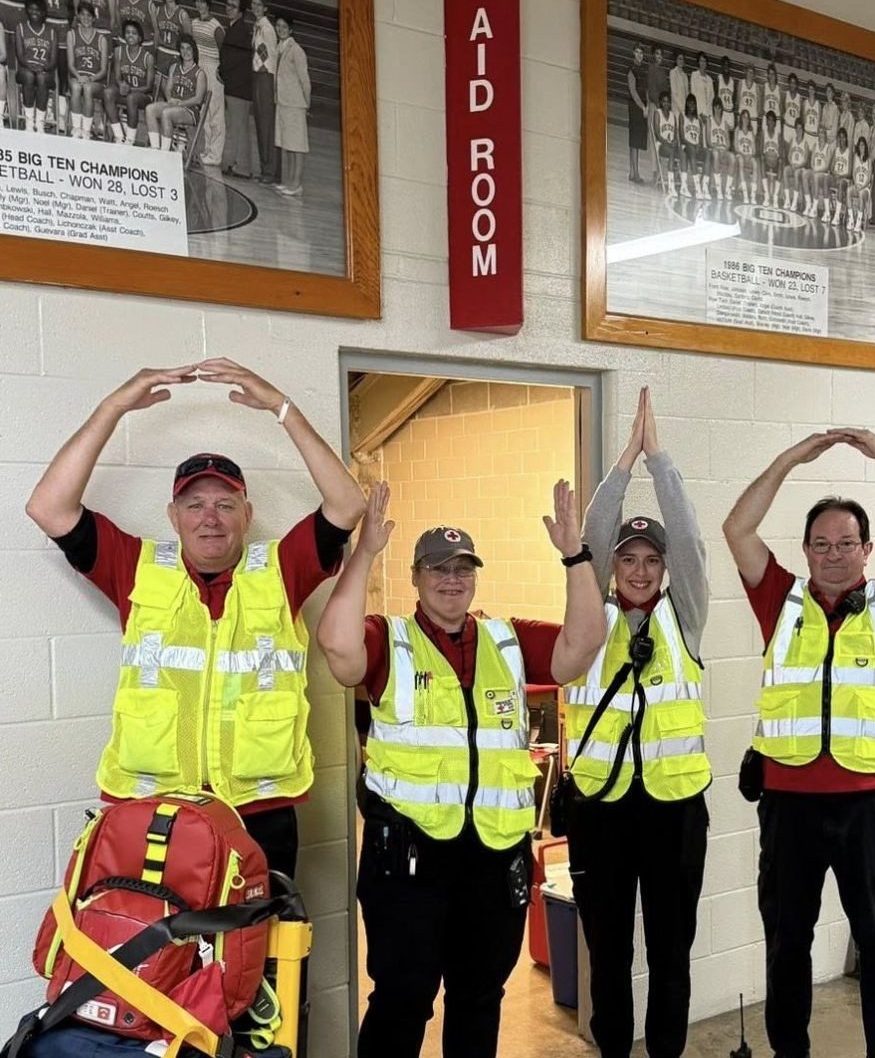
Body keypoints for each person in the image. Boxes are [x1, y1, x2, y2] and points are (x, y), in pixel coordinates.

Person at [24, 359, 367, 877]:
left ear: (247, 516)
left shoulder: (280, 569)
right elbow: (48, 507)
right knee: (157, 957)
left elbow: (347, 503)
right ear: (173, 516)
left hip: (260, 815)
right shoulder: (136, 567)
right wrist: (113, 407)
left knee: (260, 956)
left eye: (226, 505)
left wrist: (282, 406)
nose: (210, 517)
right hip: (154, 813)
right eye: (195, 504)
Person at [316, 482, 606, 1058]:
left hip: (493, 861)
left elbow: (584, 644)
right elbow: (336, 645)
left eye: (463, 569)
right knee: (403, 998)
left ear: (475, 577)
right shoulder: (389, 639)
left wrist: (575, 555)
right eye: (437, 569)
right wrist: (366, 550)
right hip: (408, 859)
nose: (452, 579)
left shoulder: (508, 640)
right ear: (417, 579)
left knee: (479, 997)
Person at [722, 428, 875, 1058]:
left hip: (871, 805)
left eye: (845, 544)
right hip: (789, 804)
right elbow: (738, 529)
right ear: (805, 551)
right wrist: (790, 458)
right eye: (821, 545)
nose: (832, 554)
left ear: (866, 549)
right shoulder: (779, 599)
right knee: (787, 945)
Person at [566, 387, 710, 1058]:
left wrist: (662, 462)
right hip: (601, 811)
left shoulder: (686, 616)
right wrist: (624, 459)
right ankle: (614, 1051)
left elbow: (689, 540)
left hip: (675, 810)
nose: (643, 570)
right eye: (629, 559)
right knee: (610, 950)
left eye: (653, 561)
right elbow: (593, 536)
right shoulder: (590, 619)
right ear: (613, 567)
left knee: (672, 951)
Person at [145, 32, 204, 151]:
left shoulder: (200, 73)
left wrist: (181, 103)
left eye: (188, 48)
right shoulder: (174, 67)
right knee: (150, 109)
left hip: (190, 110)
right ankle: (155, 148)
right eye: (182, 48)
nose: (185, 51)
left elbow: (198, 99)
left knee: (167, 113)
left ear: (194, 50)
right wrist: (170, 98)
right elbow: (168, 89)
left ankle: (165, 152)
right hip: (174, 104)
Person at [273, 10, 308, 196]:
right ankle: (289, 181)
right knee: (287, 144)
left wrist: (305, 102)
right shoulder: (279, 47)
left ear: (291, 29)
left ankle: (297, 184)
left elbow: (305, 80)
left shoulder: (297, 51)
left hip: (295, 104)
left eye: (284, 27)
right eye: (278, 26)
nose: (281, 29)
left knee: (297, 146)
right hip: (282, 102)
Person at [103, 17, 152, 142]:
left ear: (140, 38)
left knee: (132, 98)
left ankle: (130, 139)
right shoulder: (118, 51)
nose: (130, 35)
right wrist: (121, 84)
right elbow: (118, 77)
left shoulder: (148, 57)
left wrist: (131, 89)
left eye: (134, 33)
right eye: (128, 32)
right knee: (108, 92)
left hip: (142, 96)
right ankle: (119, 135)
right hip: (125, 92)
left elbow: (149, 87)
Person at [32, 0, 73, 131]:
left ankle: (61, 114)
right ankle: (47, 109)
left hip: (62, 25)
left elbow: (73, 8)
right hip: (44, 23)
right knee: (44, 67)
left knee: (62, 71)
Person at [220, 0, 252, 178]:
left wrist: (222, 71)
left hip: (239, 88)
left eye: (233, 6)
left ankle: (243, 168)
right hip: (236, 87)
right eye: (227, 4)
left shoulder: (240, 30)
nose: (228, 8)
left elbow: (233, 60)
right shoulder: (235, 28)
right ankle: (235, 163)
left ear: (240, 12)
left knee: (239, 127)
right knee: (236, 126)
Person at [66, 0, 109, 138]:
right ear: (78, 16)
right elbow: (71, 64)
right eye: (82, 15)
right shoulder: (71, 34)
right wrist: (79, 77)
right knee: (77, 87)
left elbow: (103, 70)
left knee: (88, 88)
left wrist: (90, 78)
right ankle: (76, 128)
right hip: (77, 76)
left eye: (89, 15)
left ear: (94, 18)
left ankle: (86, 130)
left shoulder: (101, 39)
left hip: (95, 80)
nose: (85, 18)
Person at [190, 0, 223, 164]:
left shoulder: (216, 26)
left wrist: (221, 72)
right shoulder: (194, 23)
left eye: (203, 2)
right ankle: (206, 150)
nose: (200, 5)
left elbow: (224, 52)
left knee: (215, 114)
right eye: (197, 1)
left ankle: (216, 155)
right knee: (202, 112)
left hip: (214, 69)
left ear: (209, 4)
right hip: (199, 68)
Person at [15, 0, 56, 133]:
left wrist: (44, 68)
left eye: (38, 10)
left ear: (43, 12)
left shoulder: (51, 31)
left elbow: (53, 60)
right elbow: (20, 56)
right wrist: (31, 66)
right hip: (25, 68)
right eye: (31, 9)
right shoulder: (20, 27)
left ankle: (39, 122)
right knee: (29, 77)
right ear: (27, 10)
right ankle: (29, 121)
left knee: (42, 78)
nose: (34, 12)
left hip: (45, 70)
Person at [250, 0, 277, 184]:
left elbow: (271, 54)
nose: (255, 7)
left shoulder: (267, 28)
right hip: (258, 76)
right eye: (253, 4)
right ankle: (264, 167)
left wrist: (264, 71)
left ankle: (270, 170)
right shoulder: (257, 25)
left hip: (265, 77)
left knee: (266, 123)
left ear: (265, 8)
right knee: (260, 122)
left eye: (259, 4)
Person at [151, 0, 188, 89]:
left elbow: (188, 39)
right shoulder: (157, 11)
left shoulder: (182, 14)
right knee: (158, 88)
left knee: (170, 90)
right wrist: (154, 53)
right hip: (161, 53)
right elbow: (157, 34)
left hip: (175, 55)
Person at [625, 40, 647, 185]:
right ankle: (635, 173)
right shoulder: (631, 70)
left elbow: (645, 90)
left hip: (643, 107)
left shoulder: (644, 70)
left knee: (637, 140)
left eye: (641, 52)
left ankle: (633, 172)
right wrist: (642, 107)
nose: (639, 55)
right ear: (633, 53)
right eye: (637, 52)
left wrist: (647, 106)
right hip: (634, 107)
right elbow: (633, 92)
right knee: (634, 140)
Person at [644, 43, 666, 184]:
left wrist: (664, 107)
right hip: (653, 106)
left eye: (661, 54)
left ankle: (660, 171)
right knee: (653, 140)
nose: (659, 57)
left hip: (662, 109)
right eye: (657, 54)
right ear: (653, 55)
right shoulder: (651, 69)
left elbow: (665, 91)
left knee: (661, 139)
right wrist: (658, 105)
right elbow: (651, 91)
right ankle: (653, 172)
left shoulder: (663, 72)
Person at [652, 87, 678, 197]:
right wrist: (668, 143)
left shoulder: (673, 115)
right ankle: (671, 187)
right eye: (664, 101)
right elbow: (657, 134)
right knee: (672, 152)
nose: (666, 103)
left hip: (671, 145)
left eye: (668, 101)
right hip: (661, 145)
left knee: (683, 153)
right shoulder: (657, 113)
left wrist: (675, 141)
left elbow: (676, 134)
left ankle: (684, 185)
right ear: (660, 102)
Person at [678, 91, 705, 199]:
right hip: (685, 146)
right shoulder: (682, 116)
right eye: (689, 104)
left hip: (695, 147)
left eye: (693, 104)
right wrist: (692, 145)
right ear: (686, 105)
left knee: (708, 154)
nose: (691, 106)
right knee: (691, 150)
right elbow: (682, 137)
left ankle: (704, 187)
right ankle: (698, 188)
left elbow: (701, 137)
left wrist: (699, 144)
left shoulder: (698, 120)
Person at [707, 95, 734, 200]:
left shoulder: (725, 123)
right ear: (713, 108)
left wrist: (725, 149)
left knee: (732, 157)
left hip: (723, 149)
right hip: (713, 148)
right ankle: (718, 190)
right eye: (715, 107)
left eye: (719, 107)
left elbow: (728, 142)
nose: (717, 109)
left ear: (722, 109)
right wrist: (717, 148)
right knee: (716, 154)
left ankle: (727, 190)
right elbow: (708, 141)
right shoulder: (710, 121)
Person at [783, 116, 809, 212]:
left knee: (796, 173)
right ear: (795, 129)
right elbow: (789, 155)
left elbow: (805, 160)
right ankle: (787, 200)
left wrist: (797, 166)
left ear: (803, 129)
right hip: (793, 165)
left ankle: (794, 202)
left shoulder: (805, 143)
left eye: (800, 128)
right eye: (797, 128)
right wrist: (791, 163)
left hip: (801, 168)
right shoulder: (792, 140)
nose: (798, 130)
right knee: (785, 170)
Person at [760, 107, 783, 208]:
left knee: (782, 163)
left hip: (775, 160)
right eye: (768, 120)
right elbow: (760, 150)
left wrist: (779, 158)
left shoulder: (778, 135)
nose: (770, 122)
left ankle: (775, 197)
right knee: (761, 161)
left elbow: (781, 151)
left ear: (775, 123)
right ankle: (766, 195)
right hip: (766, 159)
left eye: (772, 120)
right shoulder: (763, 133)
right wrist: (764, 155)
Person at [734, 106, 758, 204]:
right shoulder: (737, 130)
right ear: (741, 118)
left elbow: (754, 150)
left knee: (755, 164)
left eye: (747, 117)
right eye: (744, 117)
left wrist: (750, 155)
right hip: (740, 154)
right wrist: (742, 154)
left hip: (749, 155)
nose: (746, 119)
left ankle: (752, 195)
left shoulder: (751, 132)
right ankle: (745, 195)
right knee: (741, 161)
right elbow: (735, 146)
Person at [829, 124, 852, 227]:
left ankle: (837, 216)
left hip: (845, 180)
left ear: (846, 138)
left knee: (840, 184)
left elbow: (850, 172)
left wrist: (841, 177)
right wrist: (835, 174)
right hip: (836, 177)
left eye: (843, 137)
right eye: (840, 137)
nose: (841, 139)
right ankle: (826, 212)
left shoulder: (849, 152)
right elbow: (831, 166)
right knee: (825, 180)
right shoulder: (836, 150)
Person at [849, 135, 872, 231]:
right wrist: (856, 183)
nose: (861, 147)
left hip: (865, 188)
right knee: (848, 191)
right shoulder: (856, 157)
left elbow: (870, 176)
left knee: (861, 193)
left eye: (863, 145)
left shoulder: (869, 159)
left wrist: (862, 186)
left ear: (865, 147)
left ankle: (858, 222)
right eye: (859, 145)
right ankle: (851, 220)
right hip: (857, 185)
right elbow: (854, 172)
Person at [667, 50, 688, 125]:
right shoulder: (673, 72)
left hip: (684, 109)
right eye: (679, 59)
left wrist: (686, 109)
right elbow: (674, 93)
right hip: (676, 107)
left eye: (682, 59)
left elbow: (687, 93)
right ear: (676, 60)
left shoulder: (685, 76)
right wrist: (681, 108)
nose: (681, 61)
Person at [781, 70, 801, 145]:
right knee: (786, 151)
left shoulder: (799, 98)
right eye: (791, 83)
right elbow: (782, 111)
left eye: (794, 83)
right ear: (788, 84)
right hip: (787, 126)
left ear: (796, 85)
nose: (792, 85)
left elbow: (801, 117)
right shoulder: (785, 95)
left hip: (795, 130)